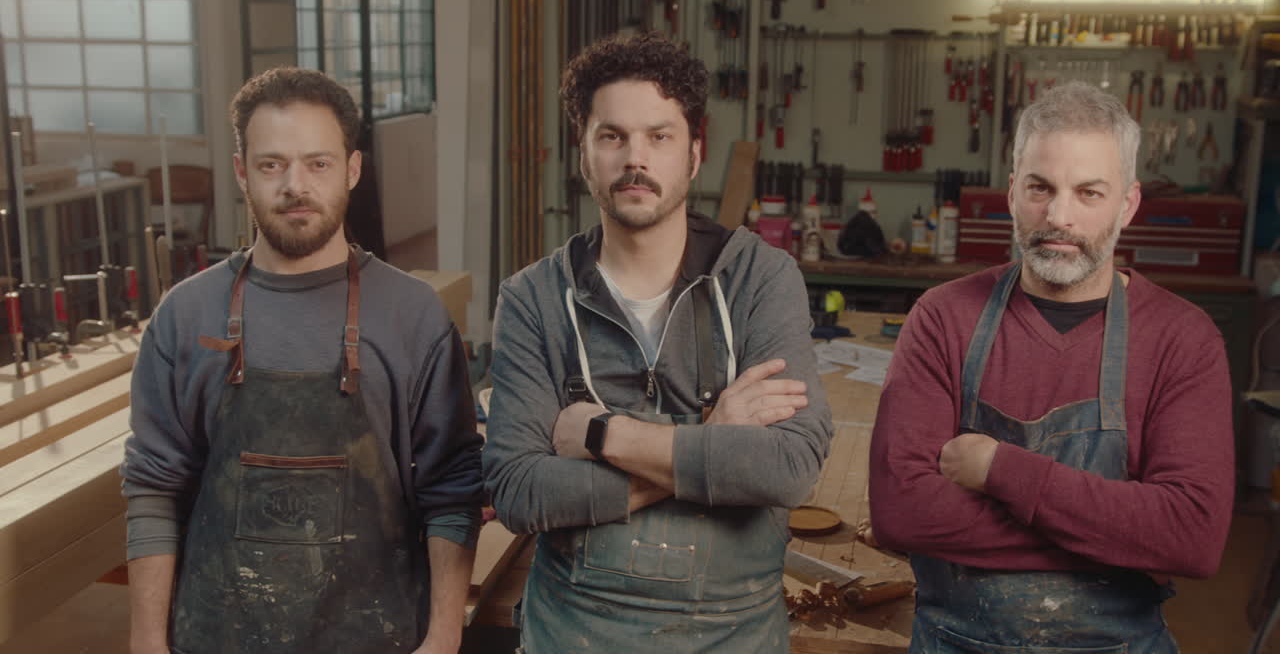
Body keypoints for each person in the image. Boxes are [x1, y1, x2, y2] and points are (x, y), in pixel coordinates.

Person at [482, 32, 833, 653]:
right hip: (575, 632)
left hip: (733, 635)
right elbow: (517, 490)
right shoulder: (533, 300)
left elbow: (787, 468)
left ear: (694, 154)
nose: (634, 158)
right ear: (584, 154)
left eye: (659, 136)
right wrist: (711, 440)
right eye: (611, 136)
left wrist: (601, 436)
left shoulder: (759, 278)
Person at [120, 67, 484, 654]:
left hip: (379, 636)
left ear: (353, 169)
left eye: (318, 163)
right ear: (243, 172)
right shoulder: (186, 315)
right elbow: (153, 488)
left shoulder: (412, 316)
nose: (295, 185)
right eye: (272, 165)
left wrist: (441, 639)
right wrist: (146, 642)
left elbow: (453, 489)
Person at [869, 80, 1234, 652]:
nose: (1059, 215)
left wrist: (998, 470)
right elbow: (902, 514)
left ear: (1128, 204)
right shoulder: (941, 319)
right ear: (1013, 192)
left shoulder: (1182, 339)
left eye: (1089, 193)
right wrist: (1118, 539)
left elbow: (1192, 536)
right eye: (1041, 188)